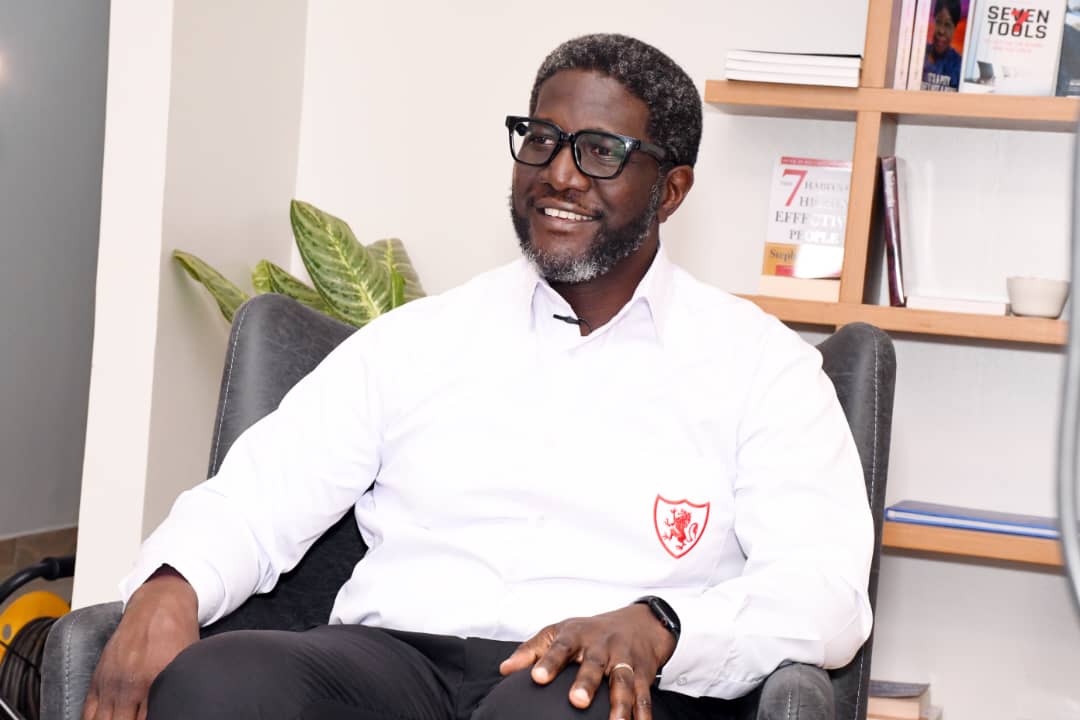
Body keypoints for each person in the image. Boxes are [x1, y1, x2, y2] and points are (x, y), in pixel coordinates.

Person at [82, 34, 873, 720]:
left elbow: (825, 591)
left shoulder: (762, 369)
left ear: (670, 191)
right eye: (542, 139)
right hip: (394, 665)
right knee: (221, 688)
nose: (560, 174)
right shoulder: (419, 340)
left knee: (555, 707)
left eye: (600, 151)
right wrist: (170, 586)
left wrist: (662, 623)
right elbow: (258, 492)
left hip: (600, 685)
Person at [922, 0, 963, 91]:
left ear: (954, 28)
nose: (941, 31)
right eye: (938, 22)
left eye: (947, 25)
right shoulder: (918, 54)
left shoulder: (958, 66)